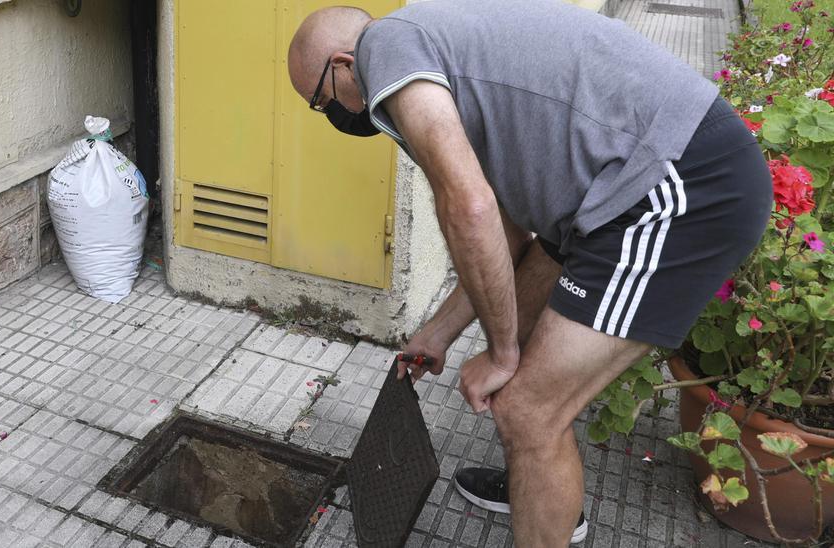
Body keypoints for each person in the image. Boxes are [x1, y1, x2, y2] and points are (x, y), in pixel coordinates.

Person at [288, 1, 771, 545]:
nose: (334, 115)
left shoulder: (389, 50)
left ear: (346, 62)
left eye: (323, 100)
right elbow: (505, 229)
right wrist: (440, 333)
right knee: (522, 349)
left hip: (675, 184)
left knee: (526, 409)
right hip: (612, 199)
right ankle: (543, 494)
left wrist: (500, 354)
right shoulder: (441, 49)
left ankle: (540, 478)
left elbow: (468, 208)